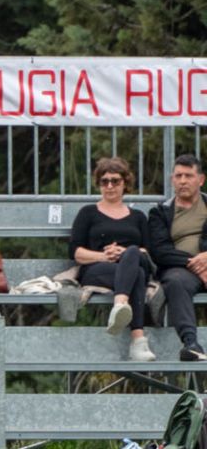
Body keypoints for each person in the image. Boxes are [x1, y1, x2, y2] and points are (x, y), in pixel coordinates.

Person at [70, 155, 156, 362]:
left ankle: (120, 304)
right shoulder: (88, 213)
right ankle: (138, 340)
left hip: (134, 261)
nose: (110, 186)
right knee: (137, 274)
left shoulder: (138, 217)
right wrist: (104, 255)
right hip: (100, 267)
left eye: (115, 181)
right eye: (104, 181)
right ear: (99, 184)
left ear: (125, 183)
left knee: (134, 253)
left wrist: (125, 253)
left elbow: (148, 251)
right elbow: (75, 252)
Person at [148, 153, 207, 362]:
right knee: (175, 281)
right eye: (178, 176)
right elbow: (159, 251)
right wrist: (197, 263)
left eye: (188, 176)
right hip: (181, 271)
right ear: (172, 179)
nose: (182, 181)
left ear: (201, 179)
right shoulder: (160, 212)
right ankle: (191, 344)